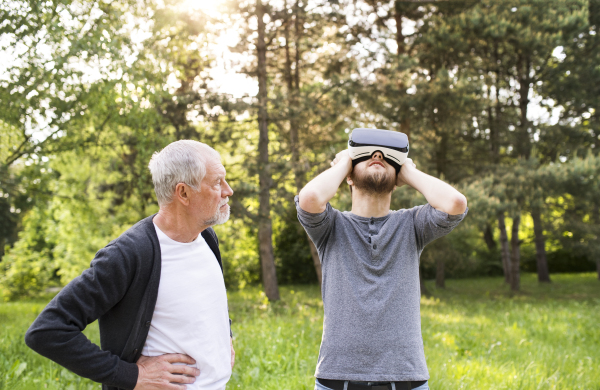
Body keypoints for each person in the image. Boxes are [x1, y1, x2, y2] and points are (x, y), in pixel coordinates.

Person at [25, 140, 235, 390]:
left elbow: (205, 304)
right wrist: (130, 375)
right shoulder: (128, 255)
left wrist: (225, 338)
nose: (228, 190)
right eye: (216, 182)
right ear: (183, 193)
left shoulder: (206, 237)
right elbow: (47, 330)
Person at [296, 148, 468, 390]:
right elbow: (310, 197)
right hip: (336, 379)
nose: (377, 155)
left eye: (386, 157)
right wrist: (343, 163)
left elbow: (455, 203)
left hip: (407, 379)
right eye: (365, 154)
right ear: (349, 176)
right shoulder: (331, 226)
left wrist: (409, 171)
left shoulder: (412, 224)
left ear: (397, 179)